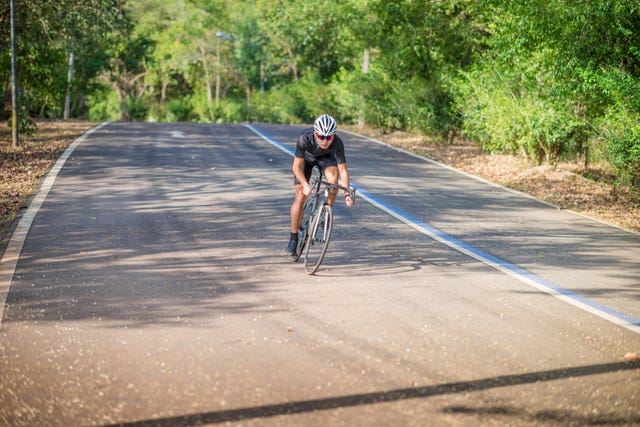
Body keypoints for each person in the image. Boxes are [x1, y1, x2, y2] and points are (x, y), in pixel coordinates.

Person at [285, 114, 353, 256]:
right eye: (321, 136)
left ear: (333, 136)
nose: (325, 141)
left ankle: (327, 209)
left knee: (333, 179)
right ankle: (293, 237)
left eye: (329, 137)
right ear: (315, 133)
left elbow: (343, 171)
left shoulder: (337, 143)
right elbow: (296, 167)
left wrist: (347, 193)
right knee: (300, 195)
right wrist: (305, 185)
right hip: (306, 160)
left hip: (326, 159)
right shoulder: (305, 138)